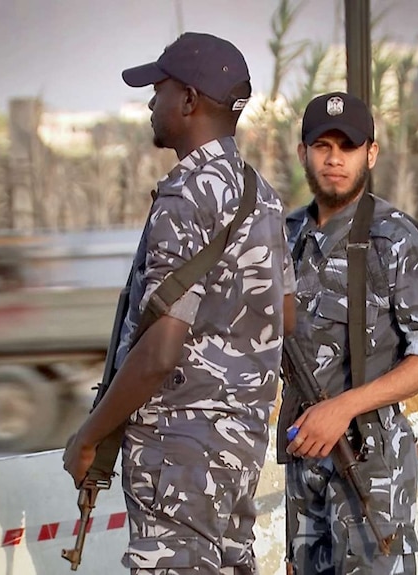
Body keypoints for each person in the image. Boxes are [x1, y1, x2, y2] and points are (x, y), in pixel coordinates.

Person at [63, 32, 295, 574]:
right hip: (237, 448)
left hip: (178, 453)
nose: (150, 103)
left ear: (188, 101)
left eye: (158, 90)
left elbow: (161, 351)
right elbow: (285, 315)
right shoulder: (259, 192)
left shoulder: (185, 193)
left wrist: (89, 435)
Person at [279, 92, 418, 574]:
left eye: (348, 145)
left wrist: (344, 407)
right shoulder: (285, 235)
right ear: (303, 154)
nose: (334, 158)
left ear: (370, 154)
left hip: (369, 462)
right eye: (322, 145)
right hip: (303, 459)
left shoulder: (394, 237)